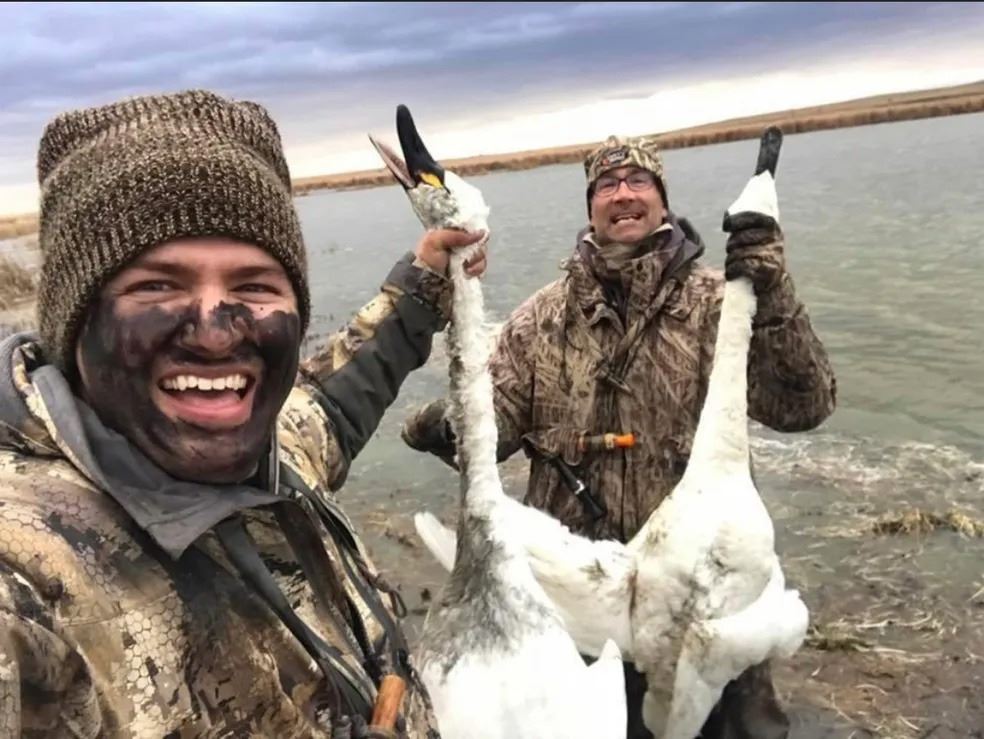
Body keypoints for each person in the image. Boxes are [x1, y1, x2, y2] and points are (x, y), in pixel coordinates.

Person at [0, 89, 487, 738]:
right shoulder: (27, 578)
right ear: (75, 323)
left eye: (254, 285)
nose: (214, 332)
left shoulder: (277, 453)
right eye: (156, 286)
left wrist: (425, 283)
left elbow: (334, 399)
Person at [401, 135, 837, 738]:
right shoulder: (541, 321)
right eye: (607, 185)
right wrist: (451, 424)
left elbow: (804, 405)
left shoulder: (718, 305)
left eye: (639, 182)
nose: (623, 194)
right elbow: (493, 428)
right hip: (577, 609)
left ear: (662, 200)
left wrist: (773, 288)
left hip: (704, 601)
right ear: (591, 208)